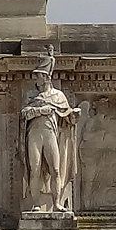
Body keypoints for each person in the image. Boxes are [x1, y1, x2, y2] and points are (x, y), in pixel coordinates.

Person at [20, 53, 79, 211]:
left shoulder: (58, 96)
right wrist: (41, 110)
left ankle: (57, 204)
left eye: (38, 75)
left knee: (56, 169)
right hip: (34, 135)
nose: (36, 79)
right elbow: (24, 113)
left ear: (46, 77)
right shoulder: (31, 95)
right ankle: (36, 204)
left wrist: (74, 116)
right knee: (35, 168)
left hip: (50, 134)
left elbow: (67, 117)